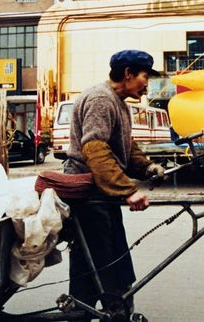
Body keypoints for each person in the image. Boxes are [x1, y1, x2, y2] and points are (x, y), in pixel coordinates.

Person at [64, 49, 165, 320]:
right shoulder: (100, 99)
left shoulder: (119, 103)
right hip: (88, 192)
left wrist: (147, 167)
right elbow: (95, 149)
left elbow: (124, 147)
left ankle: (98, 307)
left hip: (101, 192)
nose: (146, 83)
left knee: (108, 257)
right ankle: (103, 310)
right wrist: (128, 191)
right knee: (102, 258)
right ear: (128, 74)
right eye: (144, 76)